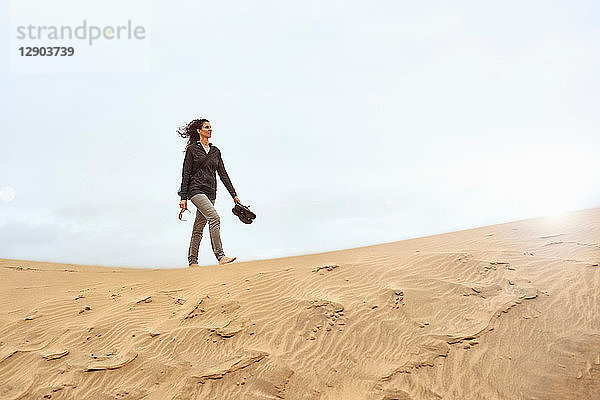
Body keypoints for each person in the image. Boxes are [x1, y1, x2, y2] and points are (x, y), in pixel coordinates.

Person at [177, 118, 241, 266]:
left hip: (211, 192)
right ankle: (220, 256)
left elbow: (223, 174)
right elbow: (185, 174)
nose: (210, 129)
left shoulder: (215, 151)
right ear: (199, 131)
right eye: (207, 127)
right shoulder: (192, 150)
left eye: (211, 127)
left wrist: (234, 194)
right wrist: (183, 197)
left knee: (199, 227)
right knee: (214, 217)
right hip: (195, 190)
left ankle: (192, 261)